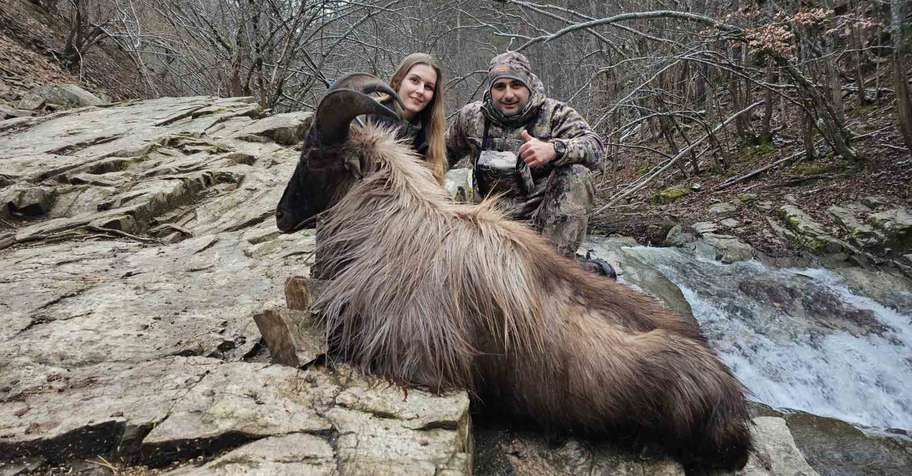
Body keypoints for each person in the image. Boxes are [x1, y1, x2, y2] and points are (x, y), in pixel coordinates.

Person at [446, 51, 612, 276]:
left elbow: (597, 149)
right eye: (500, 86)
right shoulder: (471, 118)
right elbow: (439, 157)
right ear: (490, 89)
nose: (508, 94)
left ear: (529, 85)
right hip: (490, 227)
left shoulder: (555, 115)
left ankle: (553, 272)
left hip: (543, 228)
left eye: (516, 85)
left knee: (577, 173)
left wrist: (554, 149)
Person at [381, 53, 448, 184]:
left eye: (428, 87)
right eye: (414, 81)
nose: (420, 91)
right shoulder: (369, 117)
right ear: (398, 81)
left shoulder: (429, 135)